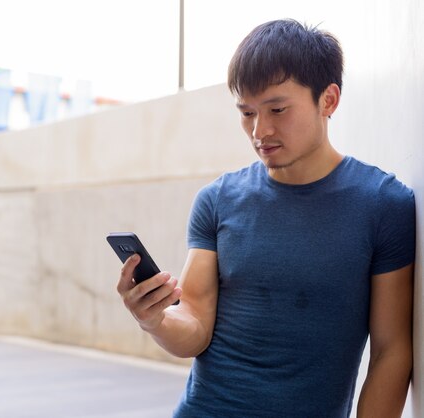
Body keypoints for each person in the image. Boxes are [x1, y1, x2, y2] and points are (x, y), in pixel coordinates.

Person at [116, 19, 415, 418]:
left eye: (277, 109)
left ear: (328, 100)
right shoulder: (218, 200)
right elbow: (194, 327)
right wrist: (154, 319)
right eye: (246, 113)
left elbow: (392, 350)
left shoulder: (383, 204)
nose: (260, 130)